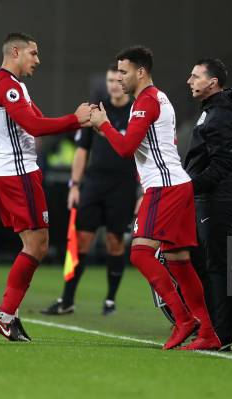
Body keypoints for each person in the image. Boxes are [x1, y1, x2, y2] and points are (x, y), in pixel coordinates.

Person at [89, 45, 220, 351]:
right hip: (176, 185)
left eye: (124, 71)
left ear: (140, 72)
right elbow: (140, 148)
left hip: (165, 187)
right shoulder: (155, 99)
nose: (119, 77)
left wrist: (103, 125)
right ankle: (208, 333)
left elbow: (124, 149)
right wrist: (106, 128)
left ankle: (184, 320)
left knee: (139, 254)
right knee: (179, 262)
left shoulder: (146, 102)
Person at [0, 32, 93, 342]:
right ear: (15, 52)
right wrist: (75, 119)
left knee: (34, 244)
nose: (37, 60)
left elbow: (39, 120)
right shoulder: (8, 86)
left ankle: (9, 315)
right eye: (33, 53)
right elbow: (34, 126)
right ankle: (5, 316)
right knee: (37, 245)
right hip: (17, 174)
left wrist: (76, 121)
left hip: (11, 172)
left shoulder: (12, 86)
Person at [41, 64, 137, 316]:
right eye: (110, 80)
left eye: (119, 79)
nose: (114, 84)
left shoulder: (136, 111)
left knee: (114, 242)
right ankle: (67, 298)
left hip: (123, 185)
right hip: (94, 184)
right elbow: (82, 151)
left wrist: (143, 188)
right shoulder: (96, 111)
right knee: (81, 240)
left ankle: (110, 300)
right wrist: (75, 185)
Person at [184, 58, 232, 351]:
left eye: (196, 76)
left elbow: (221, 164)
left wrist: (187, 187)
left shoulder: (220, 114)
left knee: (218, 267)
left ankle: (221, 334)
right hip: (212, 196)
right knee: (213, 264)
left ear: (212, 83)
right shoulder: (214, 111)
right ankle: (214, 330)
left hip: (216, 197)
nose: (190, 80)